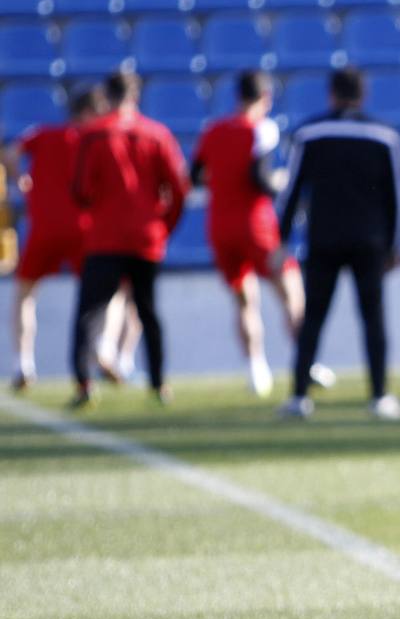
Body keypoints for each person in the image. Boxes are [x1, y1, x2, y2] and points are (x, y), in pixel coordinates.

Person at [276, 67, 400, 420]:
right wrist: (395, 245)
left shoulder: (311, 133)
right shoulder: (383, 136)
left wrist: (281, 239)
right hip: (370, 241)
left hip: (324, 240)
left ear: (331, 94)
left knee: (313, 319)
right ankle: (380, 395)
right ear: (362, 95)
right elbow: (398, 196)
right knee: (373, 320)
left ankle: (299, 397)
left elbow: (292, 191)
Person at [193, 70, 323, 398]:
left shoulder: (213, 130)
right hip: (255, 226)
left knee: (244, 301)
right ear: (265, 98)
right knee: (291, 292)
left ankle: (256, 369)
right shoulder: (262, 129)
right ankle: (306, 362)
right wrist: (278, 182)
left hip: (220, 226)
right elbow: (259, 178)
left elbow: (195, 175)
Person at [69, 71, 188, 408]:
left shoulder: (92, 136)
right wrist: (163, 225)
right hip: (146, 238)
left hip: (105, 238)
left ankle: (83, 384)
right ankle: (159, 384)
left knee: (89, 313)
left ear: (107, 97)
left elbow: (79, 190)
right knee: (148, 311)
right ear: (135, 97)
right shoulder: (157, 134)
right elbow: (179, 189)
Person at [3, 85, 106, 391]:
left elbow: (10, 153)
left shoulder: (42, 135)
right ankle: (103, 348)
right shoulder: (93, 139)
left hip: (44, 228)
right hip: (83, 230)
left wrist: (20, 178)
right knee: (103, 294)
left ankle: (24, 363)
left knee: (25, 295)